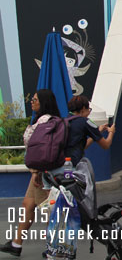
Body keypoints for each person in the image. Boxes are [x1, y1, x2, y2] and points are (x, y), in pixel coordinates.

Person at [1, 89, 60, 257]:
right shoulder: (43, 120)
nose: (32, 102)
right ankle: (16, 244)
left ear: (44, 102)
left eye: (35, 100)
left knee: (48, 212)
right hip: (37, 172)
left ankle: (54, 248)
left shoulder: (45, 122)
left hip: (41, 174)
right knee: (28, 206)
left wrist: (36, 172)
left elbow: (41, 149)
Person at [41, 95, 116, 189]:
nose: (89, 112)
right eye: (89, 109)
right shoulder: (86, 122)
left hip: (49, 171)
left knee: (53, 202)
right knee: (77, 201)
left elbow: (80, 147)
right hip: (68, 171)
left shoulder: (62, 122)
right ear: (83, 108)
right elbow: (106, 145)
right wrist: (111, 132)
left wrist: (97, 133)